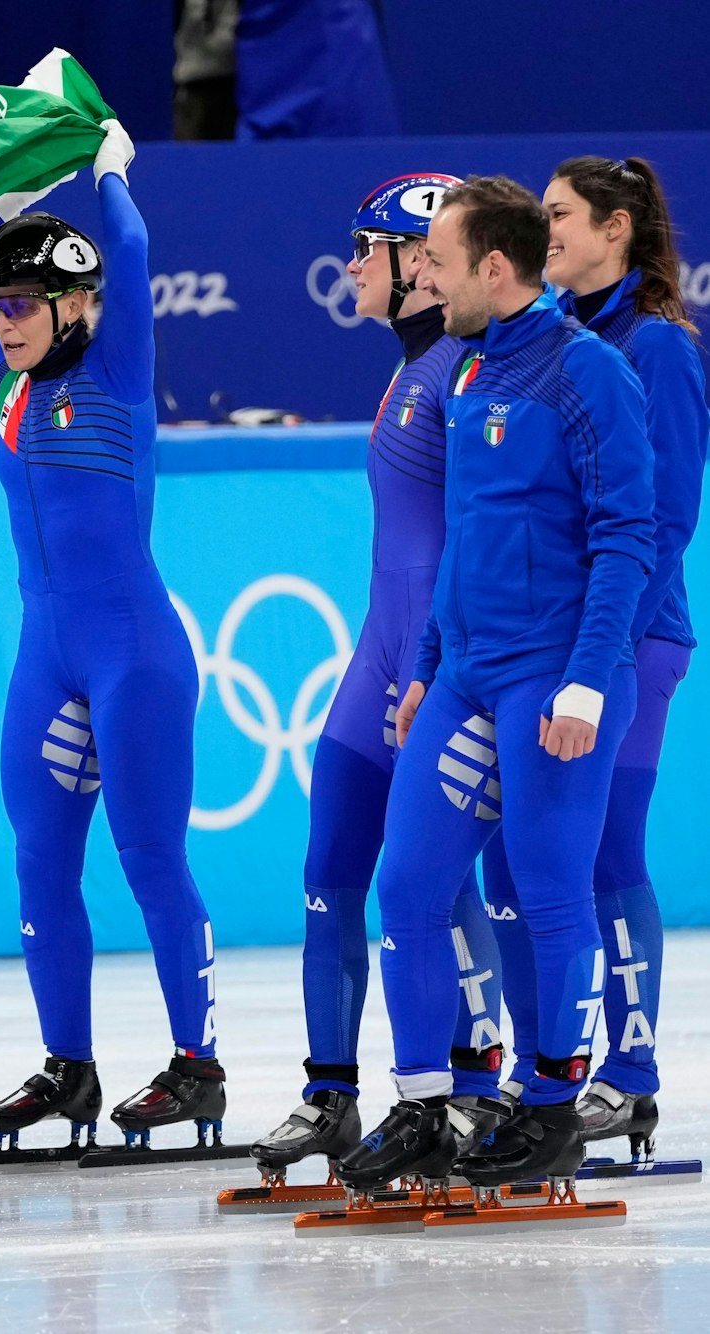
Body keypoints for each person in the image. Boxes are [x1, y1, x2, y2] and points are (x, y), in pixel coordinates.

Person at [0, 117, 229, 1155]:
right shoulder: (3, 375)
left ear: (76, 306)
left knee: (149, 856)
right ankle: (67, 1067)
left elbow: (126, 246)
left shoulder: (118, 364)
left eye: (19, 305)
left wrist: (110, 170)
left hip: (133, 652)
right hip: (48, 653)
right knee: (40, 861)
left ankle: (198, 1067)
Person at [336, 176, 654, 1196]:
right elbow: (464, 541)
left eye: (437, 260)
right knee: (407, 885)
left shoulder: (588, 370)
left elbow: (627, 537)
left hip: (554, 678)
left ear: (495, 267)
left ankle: (553, 1112)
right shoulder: (467, 370)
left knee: (550, 892)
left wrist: (588, 684)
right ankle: (427, 1104)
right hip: (466, 676)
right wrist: (427, 669)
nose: (425, 277)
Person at [250, 174, 509, 1182]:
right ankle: (330, 1092)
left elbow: (476, 539)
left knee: (435, 883)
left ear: (421, 264)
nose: (351, 263)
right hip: (379, 659)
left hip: (436, 665)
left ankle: (471, 1087)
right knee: (328, 874)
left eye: (369, 246)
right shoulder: (411, 368)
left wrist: (440, 665)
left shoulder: (467, 372)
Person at [480, 156, 707, 1157]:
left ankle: (630, 1075)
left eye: (561, 214)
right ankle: (546, 1068)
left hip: (630, 642)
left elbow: (667, 517)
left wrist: (599, 651)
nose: (546, 229)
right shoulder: (560, 338)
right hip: (562, 644)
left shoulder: (655, 347)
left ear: (616, 229)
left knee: (606, 848)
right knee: (530, 853)